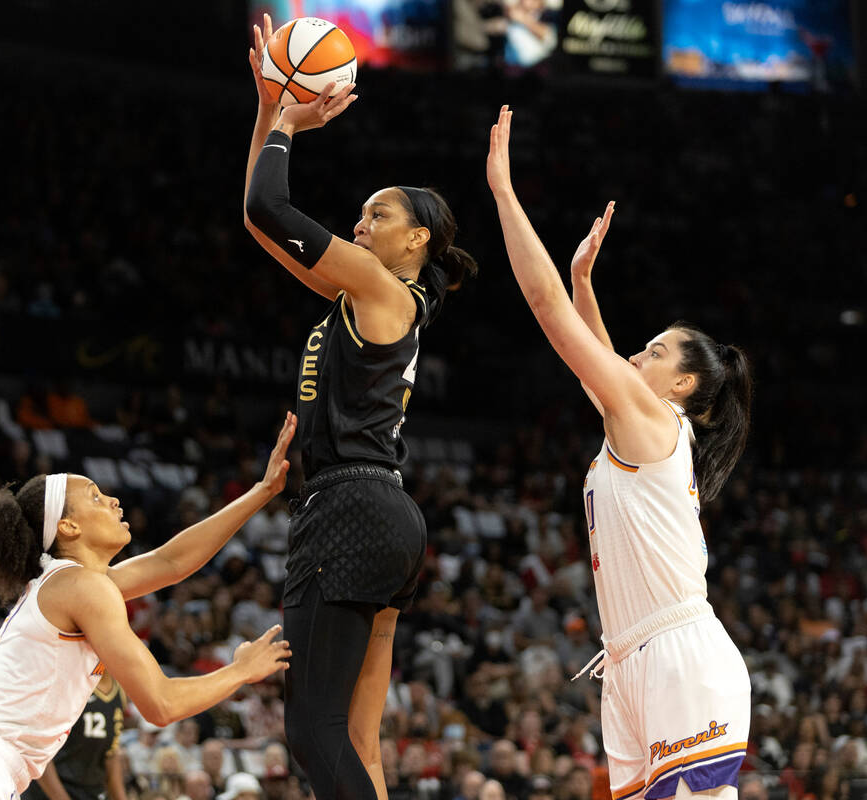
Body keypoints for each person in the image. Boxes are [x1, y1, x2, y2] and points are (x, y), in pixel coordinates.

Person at [486, 105, 753, 800]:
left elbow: (550, 317)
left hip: (678, 656)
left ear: (684, 384)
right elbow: (597, 367)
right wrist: (584, 285)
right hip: (631, 658)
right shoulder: (637, 421)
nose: (638, 353)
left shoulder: (655, 420)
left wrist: (505, 195)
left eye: (656, 351)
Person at [244, 16, 479, 800]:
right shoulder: (371, 290)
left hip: (348, 504)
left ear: (416, 241)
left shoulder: (380, 286)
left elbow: (276, 208)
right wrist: (264, 111)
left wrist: (287, 120)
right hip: (383, 512)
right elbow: (257, 216)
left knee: (311, 732)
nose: (360, 222)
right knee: (354, 737)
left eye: (378, 214)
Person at [0, 413, 298, 799]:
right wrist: (240, 672)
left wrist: (261, 491)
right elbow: (161, 704)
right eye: (95, 496)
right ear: (68, 527)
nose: (114, 501)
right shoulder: (81, 588)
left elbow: (170, 563)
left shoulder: (71, 585)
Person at [22, 674, 127, 800]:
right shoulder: (67, 681)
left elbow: (111, 754)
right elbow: (37, 748)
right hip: (51, 791)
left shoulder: (119, 691)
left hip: (91, 790)